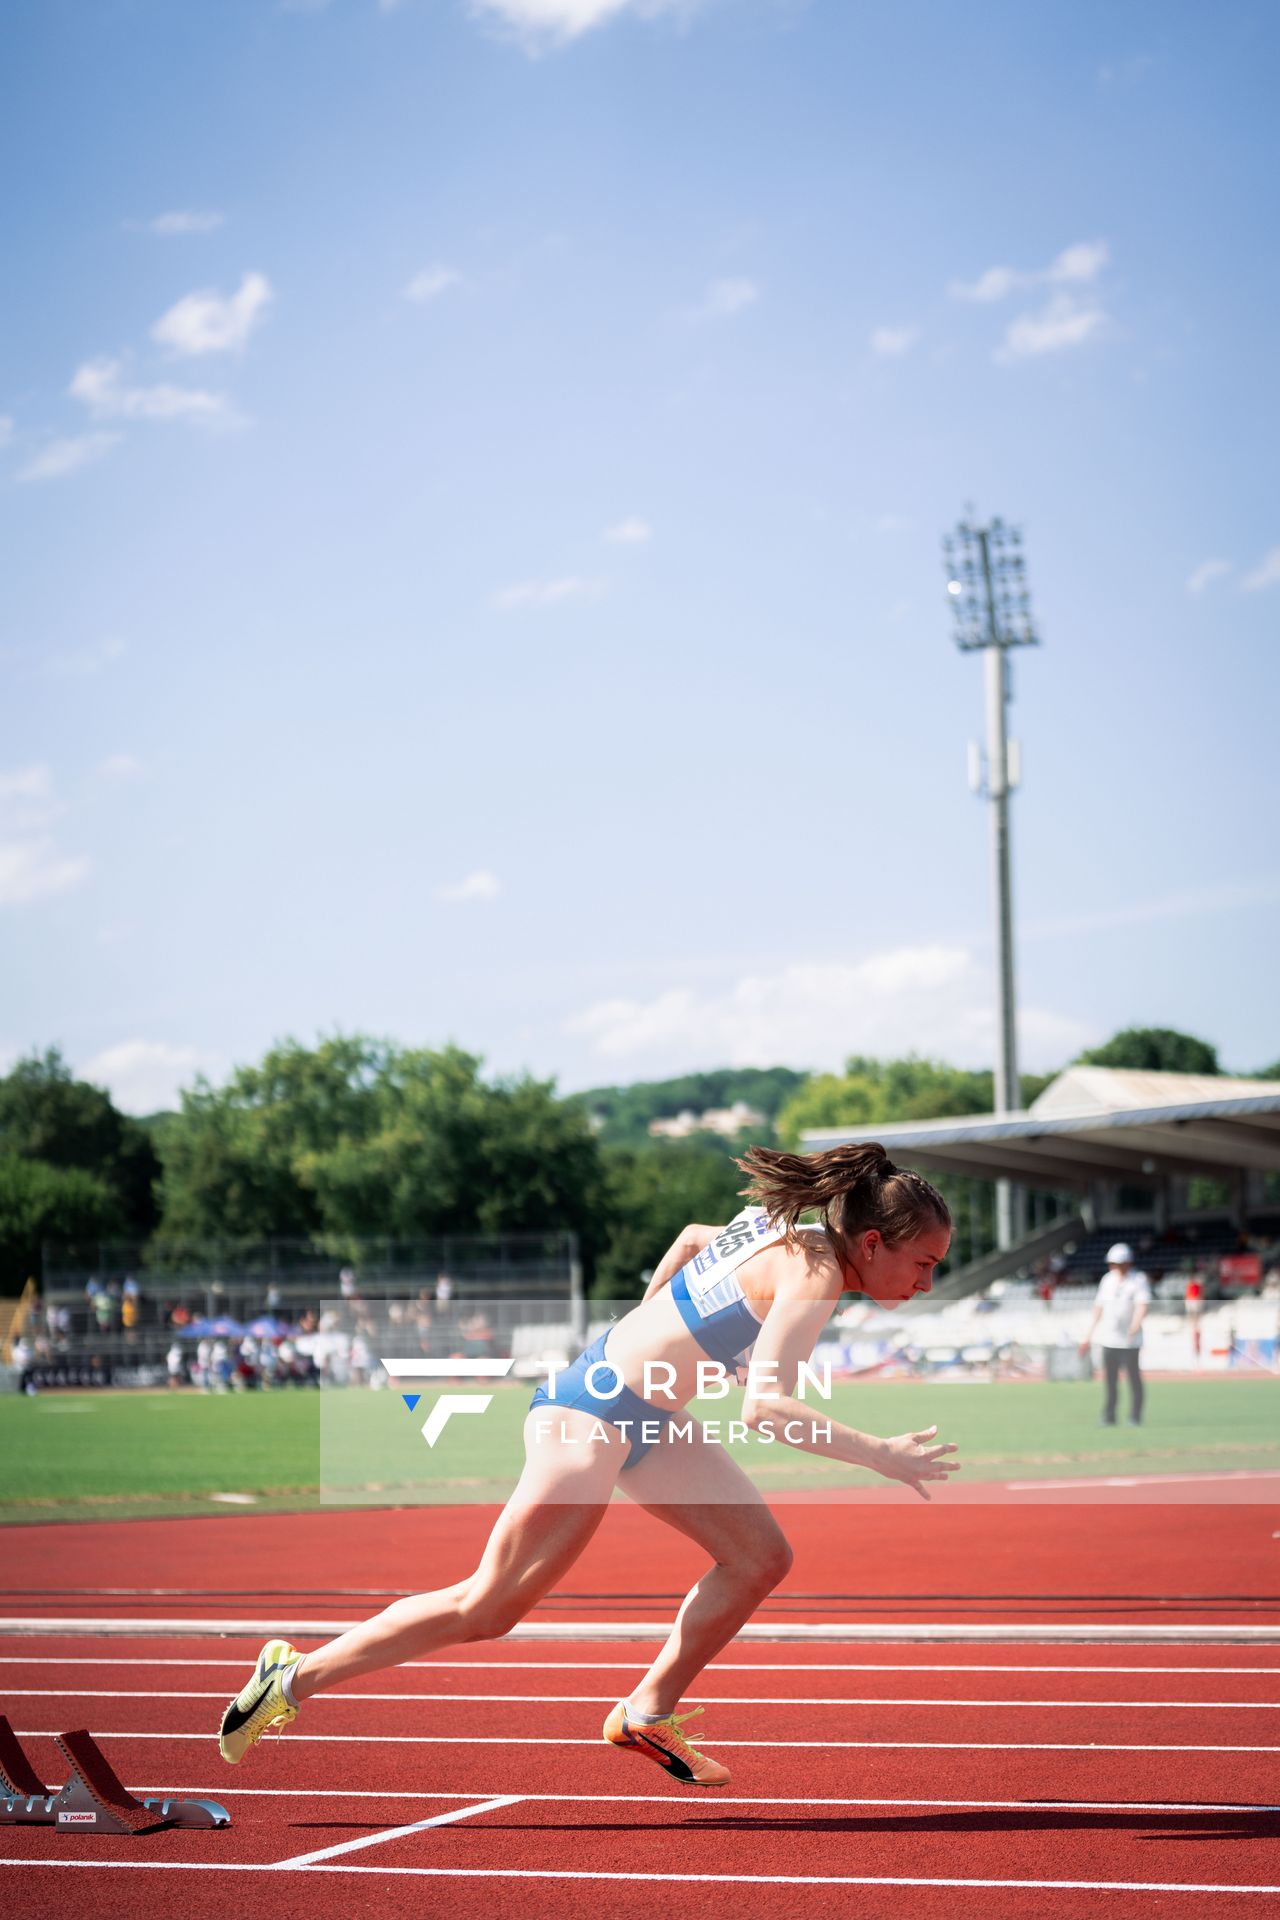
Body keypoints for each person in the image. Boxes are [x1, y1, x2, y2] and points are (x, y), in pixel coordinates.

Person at [216, 1143, 959, 1786]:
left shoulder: (776, 1229)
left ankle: (646, 1713)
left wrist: (657, 1324)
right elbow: (764, 1410)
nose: (925, 1283)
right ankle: (290, 1677)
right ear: (870, 1242)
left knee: (760, 1557)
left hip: (647, 1417)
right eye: (922, 1263)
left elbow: (692, 1238)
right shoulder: (814, 1273)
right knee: (487, 1607)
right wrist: (881, 1456)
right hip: (587, 1416)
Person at [1080, 1242, 1151, 1425]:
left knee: (1133, 1379)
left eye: (1118, 1264)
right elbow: (1098, 1308)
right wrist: (1088, 1335)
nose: (1115, 1267)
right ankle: (1109, 1416)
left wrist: (1135, 1326)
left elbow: (1142, 1305)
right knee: (1110, 1382)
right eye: (1112, 1264)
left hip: (1130, 1341)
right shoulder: (1107, 1280)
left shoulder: (1138, 1280)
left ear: (1127, 1263)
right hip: (1109, 1339)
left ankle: (1135, 1416)